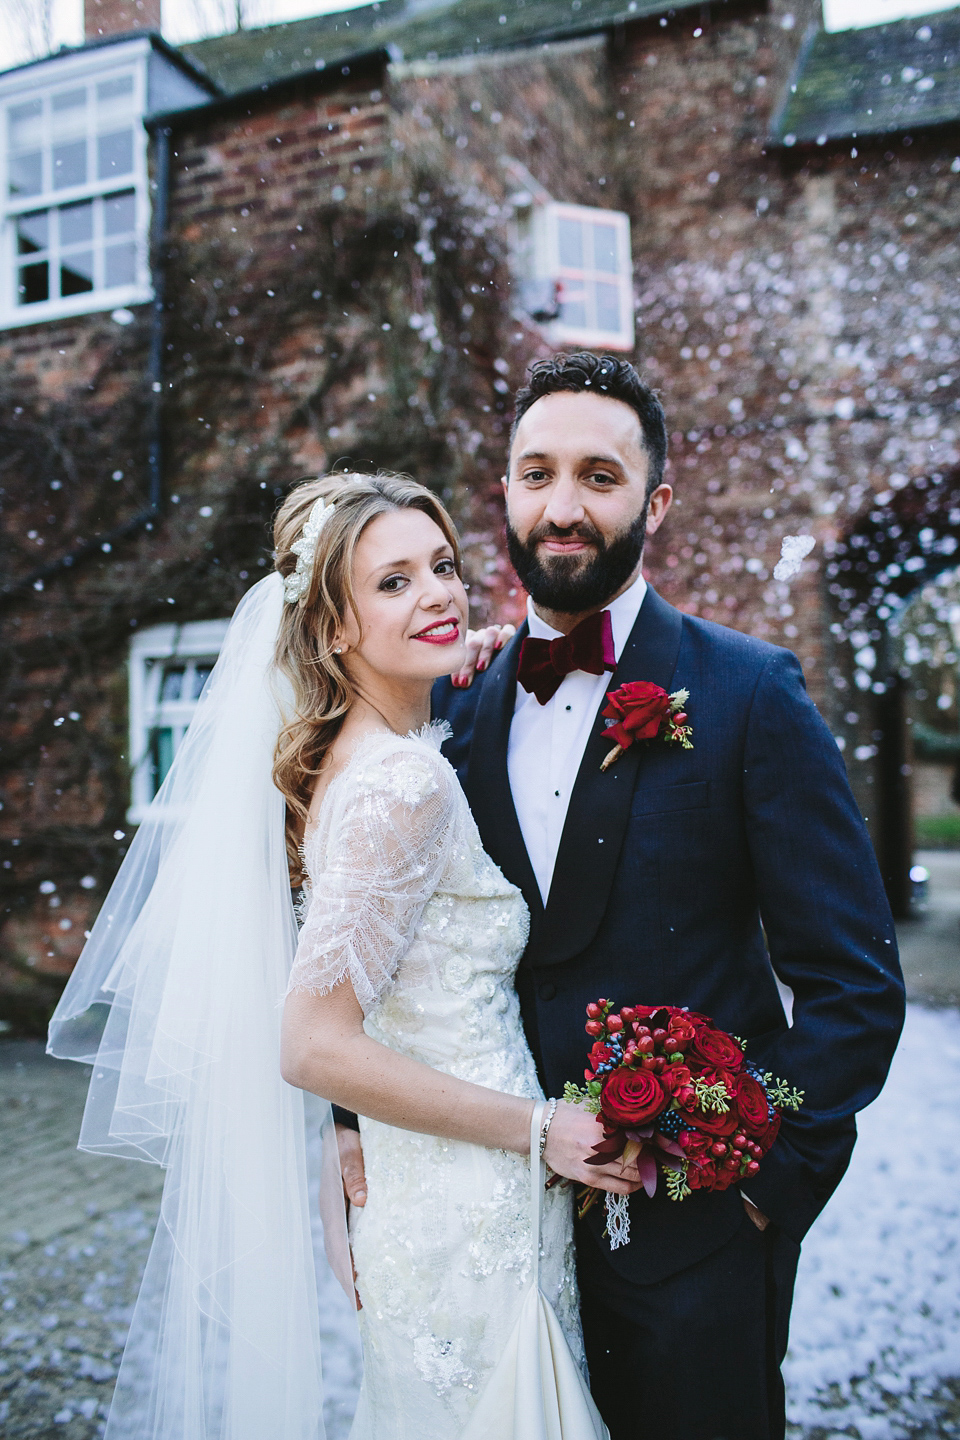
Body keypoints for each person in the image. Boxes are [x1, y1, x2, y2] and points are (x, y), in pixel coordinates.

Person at [336, 354, 906, 1440]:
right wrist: (345, 1127)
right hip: (498, 1238)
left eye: (599, 475)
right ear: (500, 490)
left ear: (655, 500)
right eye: (535, 472)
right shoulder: (451, 715)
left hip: (697, 1262)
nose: (561, 506)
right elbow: (378, 946)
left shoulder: (750, 693)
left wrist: (757, 1192)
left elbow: (854, 989)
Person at [49, 469, 616, 1440]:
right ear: (333, 629)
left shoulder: (350, 768)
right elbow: (312, 1045)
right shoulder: (405, 787)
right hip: (474, 1196)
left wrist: (344, 1134)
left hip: (423, 1188)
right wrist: (541, 1129)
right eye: (392, 582)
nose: (439, 592)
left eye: (441, 565)